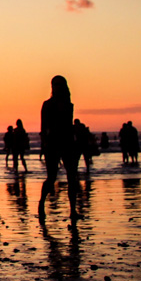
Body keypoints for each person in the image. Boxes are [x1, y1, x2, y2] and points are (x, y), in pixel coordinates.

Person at [38, 76, 81, 221]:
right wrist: (44, 145)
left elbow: (69, 127)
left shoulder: (69, 105)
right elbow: (43, 127)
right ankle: (41, 204)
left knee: (72, 177)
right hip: (52, 144)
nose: (57, 87)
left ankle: (73, 210)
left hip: (67, 143)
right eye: (55, 84)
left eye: (60, 84)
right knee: (51, 177)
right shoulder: (47, 104)